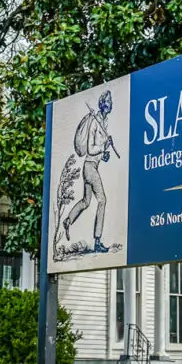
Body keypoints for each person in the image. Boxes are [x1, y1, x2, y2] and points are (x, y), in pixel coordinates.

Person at [63, 90, 117, 253]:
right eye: (106, 102)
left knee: (86, 202)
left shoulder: (104, 122)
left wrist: (105, 152)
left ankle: (68, 220)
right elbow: (90, 149)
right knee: (102, 200)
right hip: (89, 167)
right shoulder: (95, 122)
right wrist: (102, 148)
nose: (109, 104)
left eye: (110, 102)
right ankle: (98, 240)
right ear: (102, 104)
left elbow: (99, 152)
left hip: (92, 167)